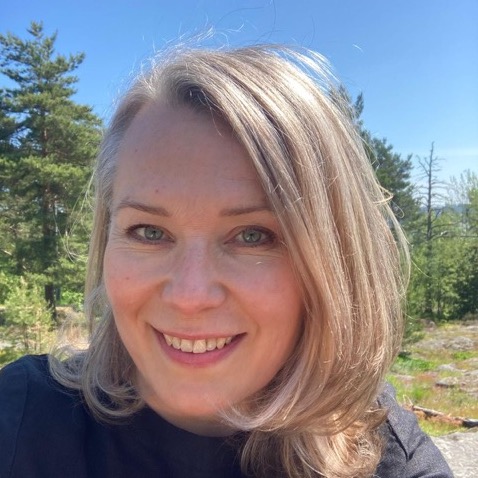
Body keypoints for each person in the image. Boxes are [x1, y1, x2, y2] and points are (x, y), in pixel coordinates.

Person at [0, 45, 452, 478]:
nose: (190, 295)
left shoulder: (384, 454)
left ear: (333, 261)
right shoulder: (20, 422)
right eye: (149, 232)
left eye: (253, 236)